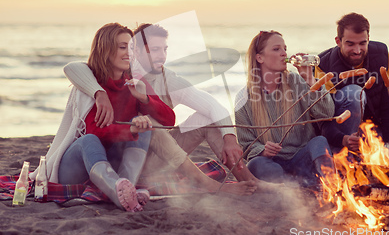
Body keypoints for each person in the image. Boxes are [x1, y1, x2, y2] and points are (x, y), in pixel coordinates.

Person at [63, 23, 258, 183]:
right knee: (149, 126)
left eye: (164, 49)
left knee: (206, 119)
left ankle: (248, 180)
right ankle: (205, 184)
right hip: (126, 155)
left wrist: (230, 138)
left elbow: (212, 106)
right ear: (136, 51)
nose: (162, 56)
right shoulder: (123, 73)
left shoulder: (168, 79)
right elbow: (75, 67)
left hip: (159, 155)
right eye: (154, 50)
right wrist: (98, 92)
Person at [30, 23, 176, 212]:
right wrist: (129, 127)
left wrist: (143, 98)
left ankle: (125, 187)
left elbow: (169, 120)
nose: (128, 53)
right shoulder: (89, 84)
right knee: (88, 140)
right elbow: (94, 131)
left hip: (111, 161)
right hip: (77, 165)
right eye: (122, 47)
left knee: (145, 130)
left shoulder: (135, 81)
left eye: (131, 48)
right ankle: (117, 192)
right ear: (105, 49)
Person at [235, 30, 335, 187]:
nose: (284, 53)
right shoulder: (244, 98)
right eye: (276, 49)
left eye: (285, 49)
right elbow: (245, 145)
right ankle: (296, 189)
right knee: (256, 165)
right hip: (273, 165)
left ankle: (331, 189)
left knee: (319, 141)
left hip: (302, 160)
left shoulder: (296, 81)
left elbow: (327, 113)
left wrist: (309, 79)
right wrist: (262, 150)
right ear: (259, 57)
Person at [315, 12, 389, 152]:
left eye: (362, 43)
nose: (357, 50)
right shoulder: (323, 65)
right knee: (355, 93)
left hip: (371, 130)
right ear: (338, 41)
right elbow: (322, 121)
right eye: (350, 44)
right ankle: (343, 158)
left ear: (368, 39)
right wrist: (343, 139)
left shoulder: (382, 55)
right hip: (338, 136)